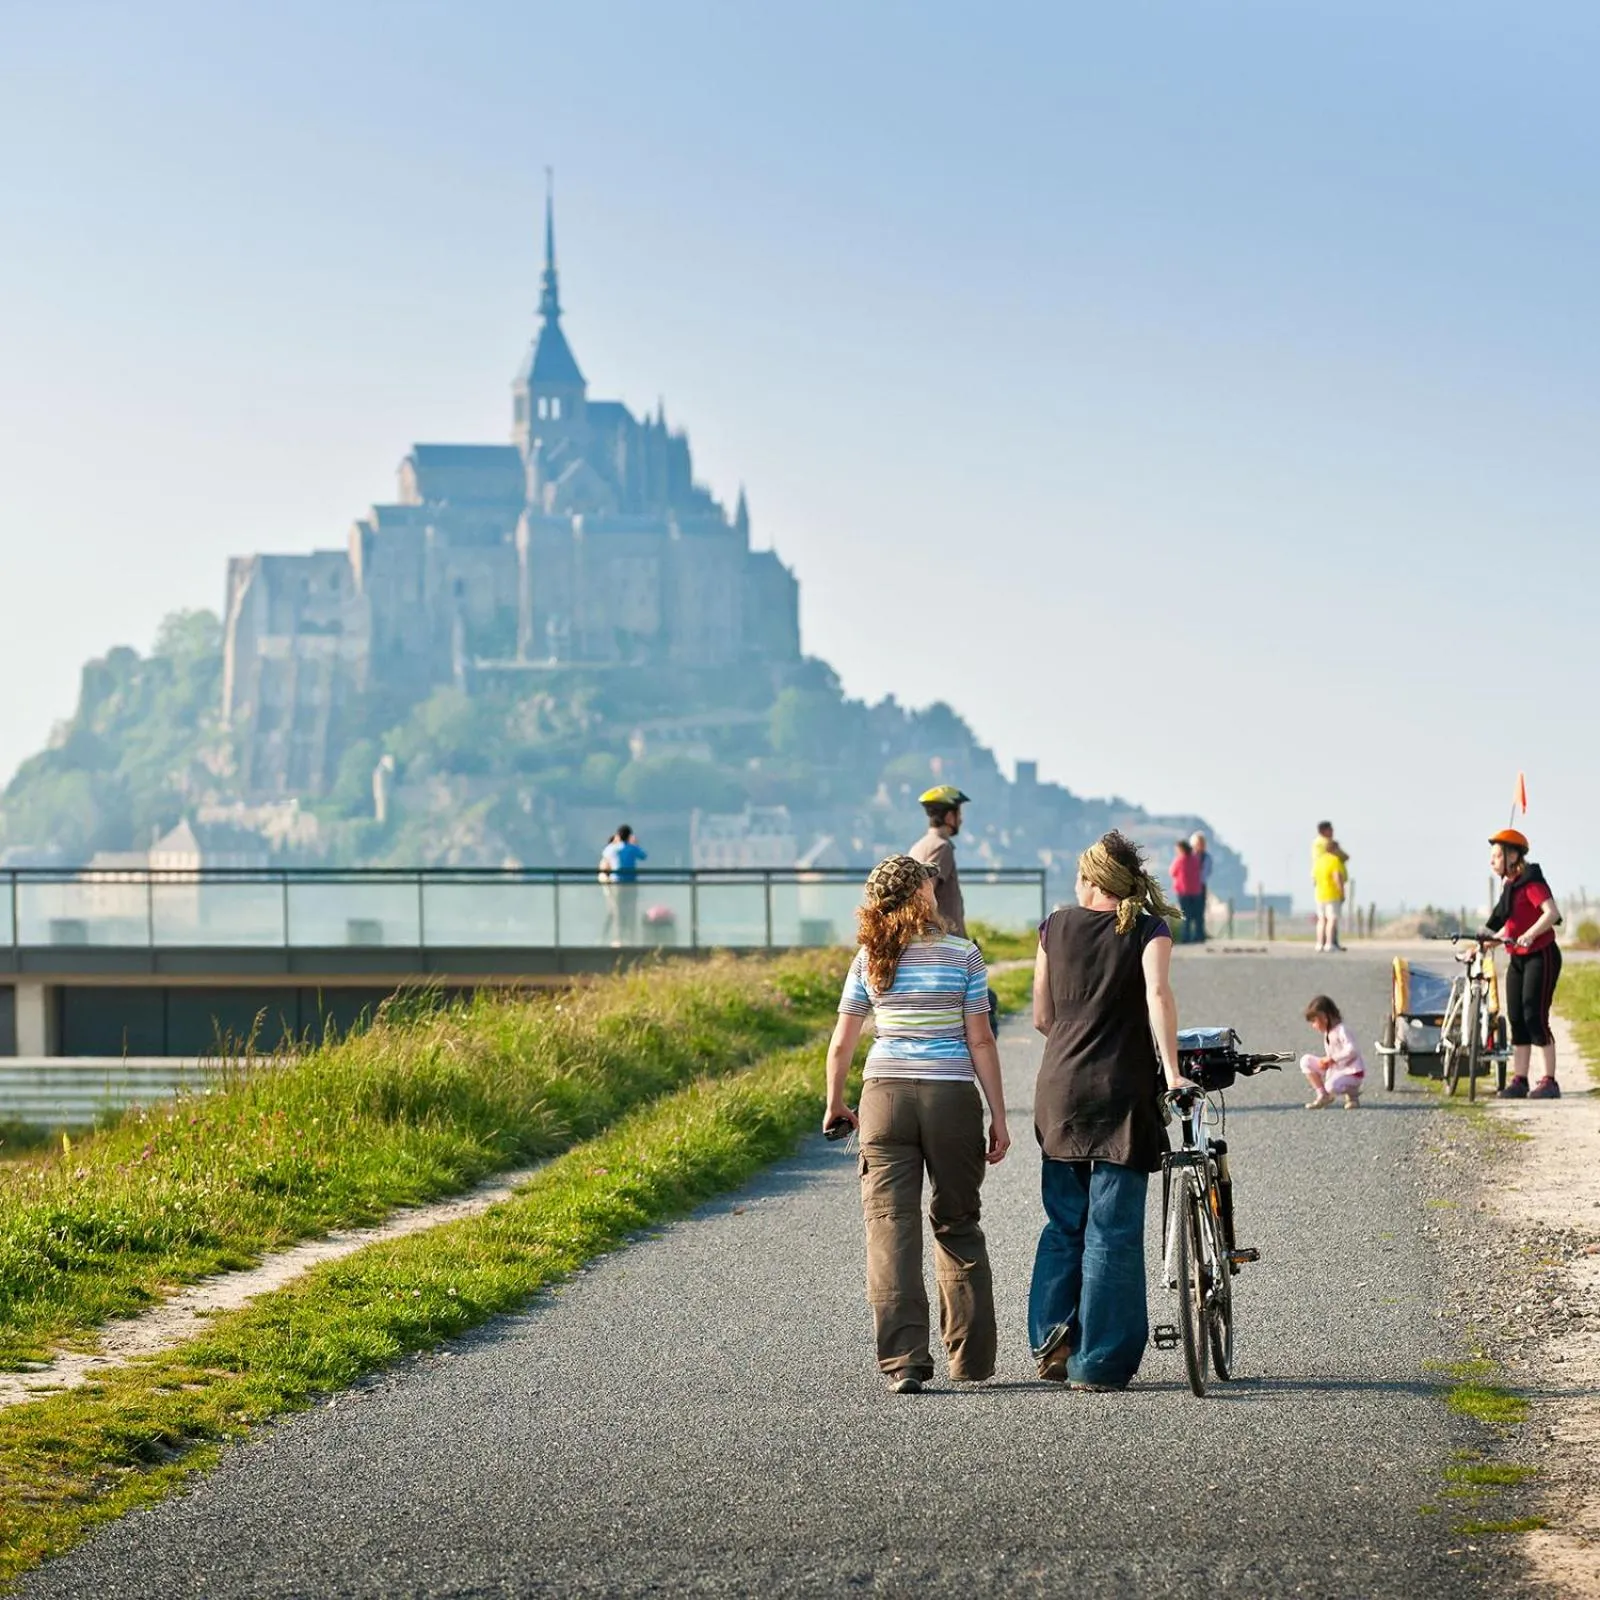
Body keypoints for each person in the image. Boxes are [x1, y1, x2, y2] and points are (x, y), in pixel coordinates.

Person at [823, 854, 1011, 1394]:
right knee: (957, 1221)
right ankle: (970, 1360)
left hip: (884, 1097)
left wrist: (835, 1102)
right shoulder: (963, 956)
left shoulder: (870, 958)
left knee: (890, 1228)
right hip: (950, 1097)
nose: (936, 888)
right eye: (931, 883)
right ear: (921, 895)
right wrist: (998, 1114)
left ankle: (904, 1361)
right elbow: (980, 1040)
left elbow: (842, 1042)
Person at [1028, 830, 1194, 1391]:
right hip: (1122, 1093)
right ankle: (1097, 1363)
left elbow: (1042, 1016)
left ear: (1091, 880)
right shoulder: (1149, 929)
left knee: (1063, 1223)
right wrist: (1171, 1071)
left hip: (1061, 1090)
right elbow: (1158, 999)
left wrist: (1077, 1035)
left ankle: (1053, 1337)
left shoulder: (1054, 926)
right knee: (1113, 1231)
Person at [1483, 828, 1564, 1100]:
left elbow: (1551, 913)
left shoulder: (1530, 882)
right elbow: (1508, 927)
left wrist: (1530, 934)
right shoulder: (1510, 886)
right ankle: (1519, 1080)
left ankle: (1549, 1081)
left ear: (1513, 854)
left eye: (1497, 856)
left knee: (1534, 1017)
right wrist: (1483, 945)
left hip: (1542, 955)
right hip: (1517, 957)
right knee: (1517, 1018)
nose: (1492, 861)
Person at [909, 784, 971, 937]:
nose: (961, 820)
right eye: (959, 814)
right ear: (950, 816)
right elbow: (924, 893)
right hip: (944, 942)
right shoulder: (942, 847)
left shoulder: (918, 846)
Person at [1300, 995, 1366, 1110]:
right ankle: (1323, 1095)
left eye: (1315, 1021)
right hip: (1337, 1069)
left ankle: (1352, 1094)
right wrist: (1328, 1061)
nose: (1313, 1026)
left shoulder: (1342, 1030)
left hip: (1352, 1072)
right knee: (1306, 1061)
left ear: (1325, 1017)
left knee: (1331, 1087)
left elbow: (1352, 1050)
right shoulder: (1329, 1032)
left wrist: (1332, 1059)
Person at [597, 825, 647, 945]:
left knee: (617, 912)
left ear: (618, 836)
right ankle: (631, 938)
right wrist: (635, 844)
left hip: (616, 884)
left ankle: (618, 939)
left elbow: (605, 854)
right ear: (629, 836)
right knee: (631, 911)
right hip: (630, 884)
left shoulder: (612, 849)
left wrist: (615, 843)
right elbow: (644, 856)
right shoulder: (632, 848)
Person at [1312, 832, 1349, 952]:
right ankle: (1329, 943)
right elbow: (1337, 877)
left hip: (1319, 894)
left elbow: (1314, 878)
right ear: (1334, 849)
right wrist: (1342, 893)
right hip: (1332, 894)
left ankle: (1319, 943)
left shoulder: (1319, 861)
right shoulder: (1334, 860)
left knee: (1321, 919)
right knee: (1332, 919)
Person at [1168, 838, 1204, 945]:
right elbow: (1199, 869)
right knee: (1197, 915)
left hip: (1183, 891)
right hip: (1196, 890)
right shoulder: (1195, 859)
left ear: (1181, 849)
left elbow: (1172, 872)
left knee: (1185, 915)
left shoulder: (1179, 860)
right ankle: (1198, 936)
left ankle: (1186, 936)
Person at [1189, 832, 1213, 944]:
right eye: (1198, 843)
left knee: (1200, 912)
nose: (1200, 845)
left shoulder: (1206, 857)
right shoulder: (1188, 856)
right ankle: (1189, 935)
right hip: (1189, 887)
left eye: (1202, 843)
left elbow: (1206, 872)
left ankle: (1199, 935)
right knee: (1189, 913)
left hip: (1200, 886)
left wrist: (1196, 879)